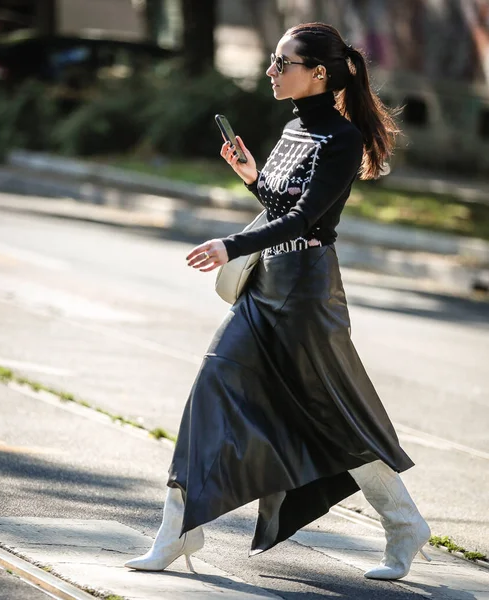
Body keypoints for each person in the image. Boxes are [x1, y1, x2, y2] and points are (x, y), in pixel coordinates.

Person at [125, 22, 431, 581]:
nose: (270, 71)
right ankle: (178, 531)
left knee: (335, 415)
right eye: (272, 60)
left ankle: (404, 523)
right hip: (267, 285)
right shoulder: (295, 128)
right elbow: (279, 201)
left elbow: (305, 218)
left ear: (318, 72)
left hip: (307, 293)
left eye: (281, 62)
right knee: (210, 391)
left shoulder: (341, 140)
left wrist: (228, 244)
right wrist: (251, 176)